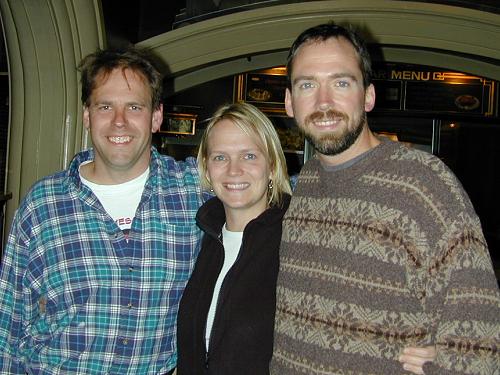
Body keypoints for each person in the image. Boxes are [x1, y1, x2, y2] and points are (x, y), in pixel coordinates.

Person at [270, 22, 500, 374]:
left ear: (369, 96)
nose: (324, 102)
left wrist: (449, 363)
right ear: (289, 102)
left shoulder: (422, 184)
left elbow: (480, 336)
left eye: (341, 82)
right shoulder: (302, 187)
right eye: (307, 85)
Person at [0, 47, 207, 374]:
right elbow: (8, 322)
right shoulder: (44, 204)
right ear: (87, 115)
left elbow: (273, 181)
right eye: (105, 106)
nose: (119, 121)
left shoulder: (194, 189)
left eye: (134, 107)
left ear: (156, 117)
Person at [176, 102, 292, 374]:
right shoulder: (204, 238)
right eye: (220, 157)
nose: (233, 170)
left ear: (272, 165)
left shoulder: (296, 241)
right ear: (206, 168)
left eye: (249, 156)